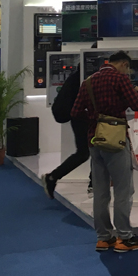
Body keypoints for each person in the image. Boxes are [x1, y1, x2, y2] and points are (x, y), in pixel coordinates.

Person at [70, 50, 138, 253]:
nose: (127, 72)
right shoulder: (120, 79)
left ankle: (104, 238)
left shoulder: (88, 82)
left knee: (100, 191)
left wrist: (95, 119)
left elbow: (75, 112)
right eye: (127, 68)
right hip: (116, 140)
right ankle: (125, 237)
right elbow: (137, 104)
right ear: (123, 64)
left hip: (94, 140)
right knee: (123, 189)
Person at [41, 69, 91, 199]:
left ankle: (53, 177)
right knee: (85, 152)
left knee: (88, 151)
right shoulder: (84, 77)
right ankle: (53, 177)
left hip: (81, 118)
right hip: (82, 118)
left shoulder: (78, 76)